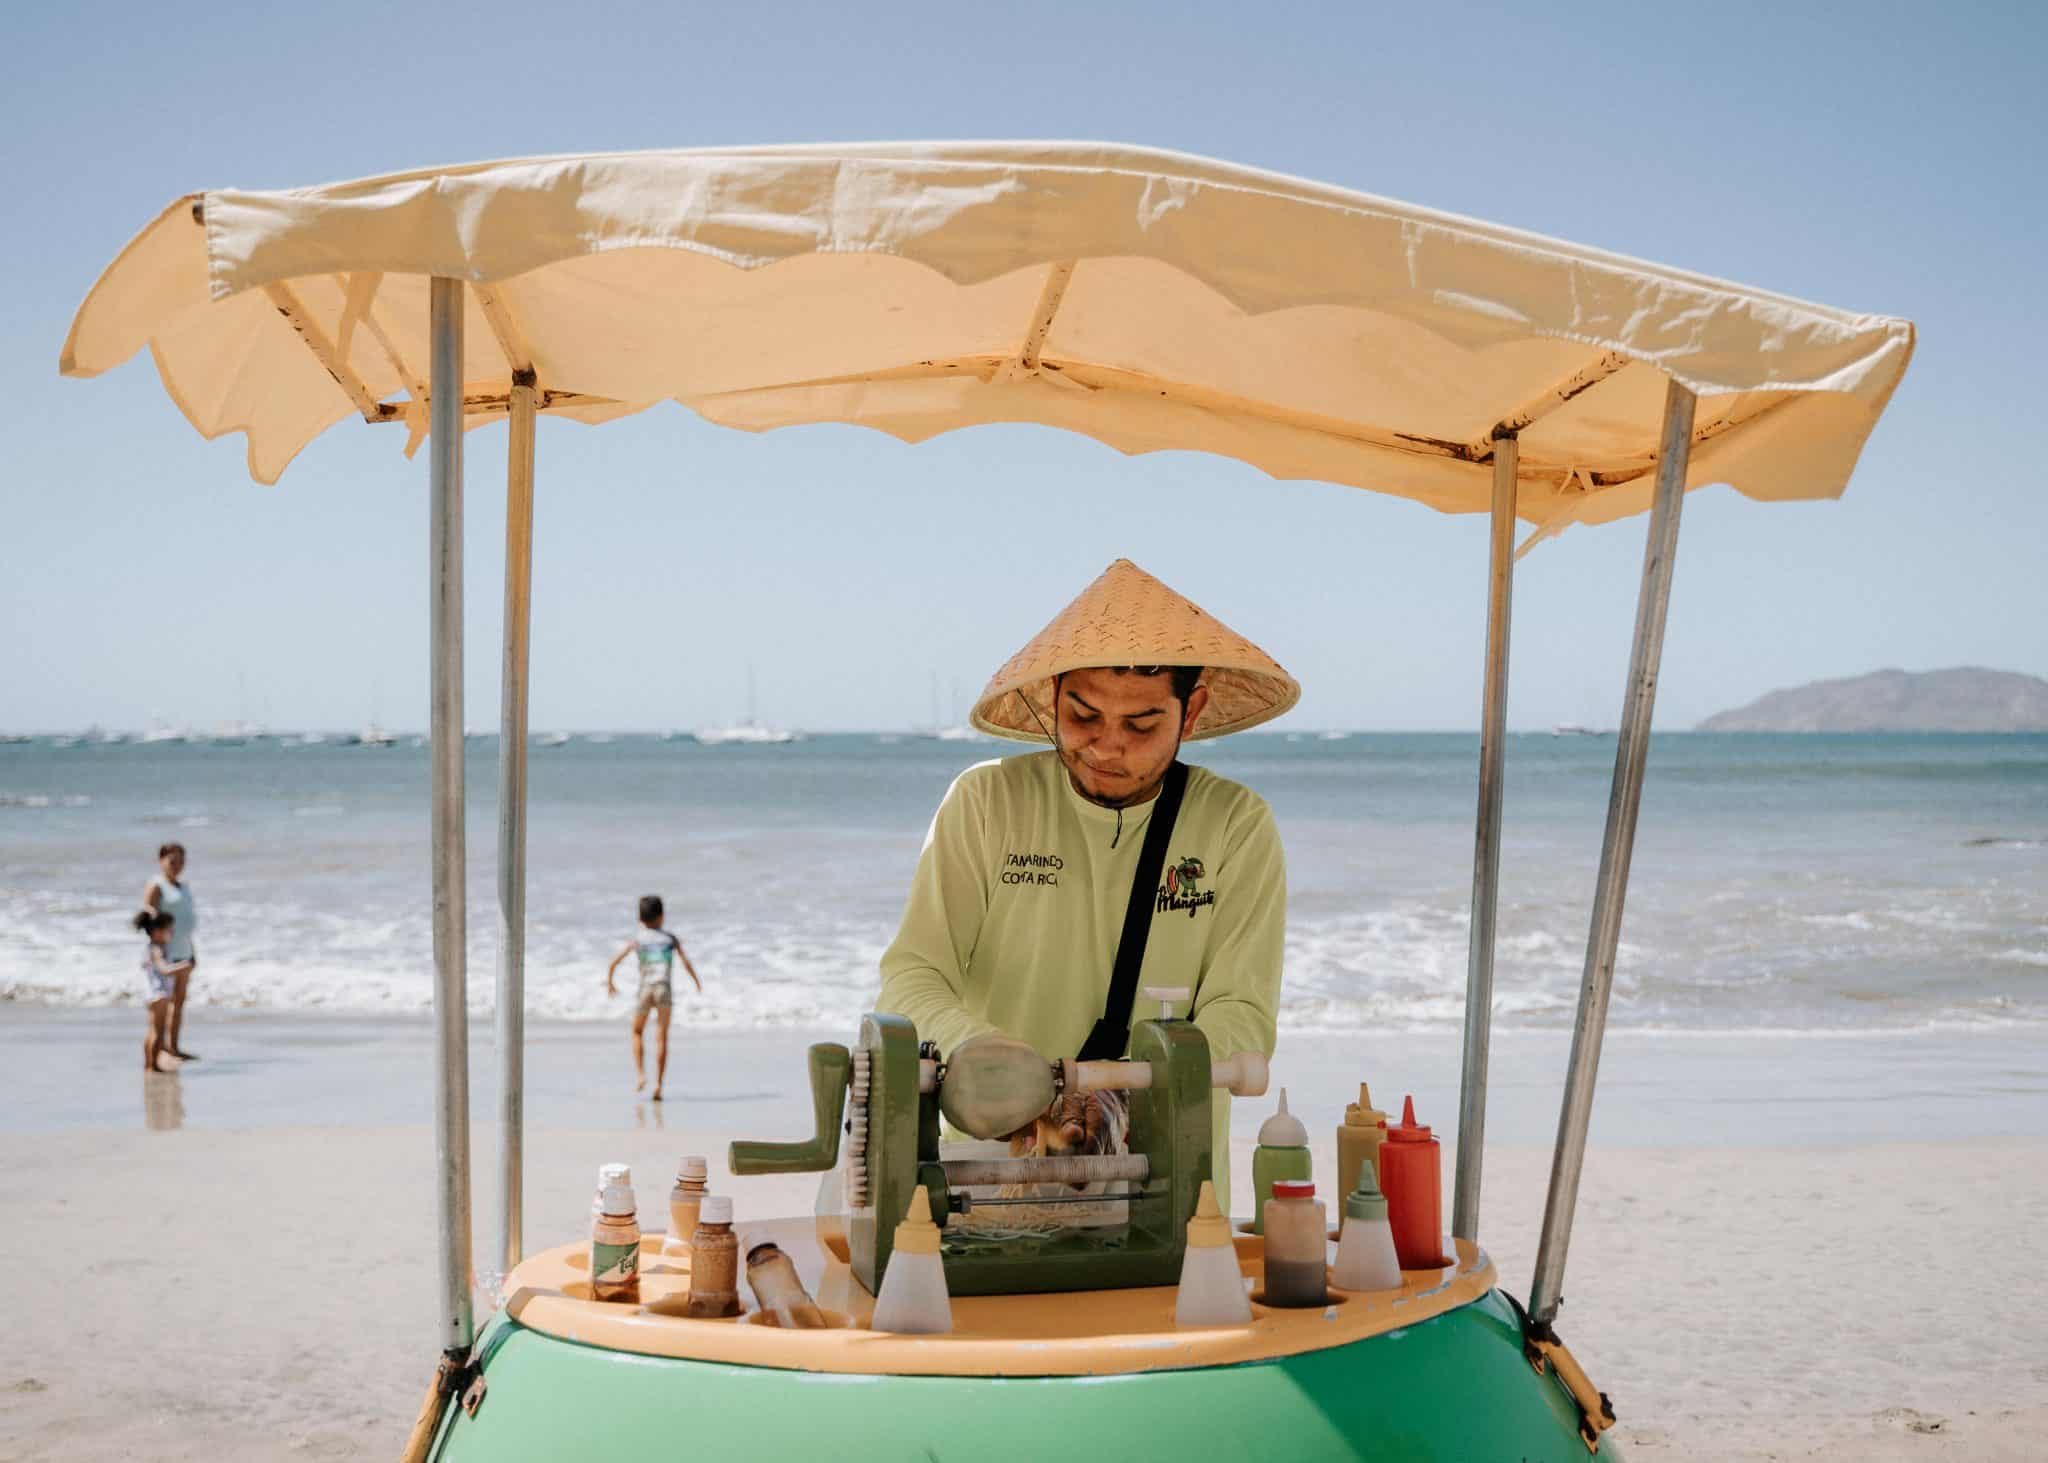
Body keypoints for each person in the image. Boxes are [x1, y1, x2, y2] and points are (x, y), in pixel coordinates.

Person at [878, 558, 1296, 1208]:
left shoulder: (1235, 823)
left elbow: (1241, 1014)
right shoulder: (986, 802)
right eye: (1082, 715)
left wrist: (1117, 1094)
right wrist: (991, 1061)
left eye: (1142, 725)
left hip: (1169, 1185)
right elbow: (913, 974)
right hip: (985, 1178)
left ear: (1191, 712)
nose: (1106, 745)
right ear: (1053, 697)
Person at [606, 895, 702, 1102]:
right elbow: (686, 963)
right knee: (662, 1037)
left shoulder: (638, 940)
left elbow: (614, 962)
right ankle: (658, 1084)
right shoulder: (670, 939)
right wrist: (696, 981)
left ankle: (641, 1075)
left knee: (637, 1031)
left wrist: (610, 982)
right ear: (662, 916)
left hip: (645, 990)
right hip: (664, 990)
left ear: (640, 919)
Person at [140, 842, 198, 1060]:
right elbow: (148, 917)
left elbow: (186, 922)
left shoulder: (184, 886)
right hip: (165, 953)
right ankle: (159, 1049)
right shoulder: (157, 885)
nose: (177, 865)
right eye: (172, 861)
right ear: (161, 861)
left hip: (184, 948)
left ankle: (173, 1047)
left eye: (181, 861)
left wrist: (193, 951)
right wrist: (156, 952)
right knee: (162, 1003)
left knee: (179, 1002)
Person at [133, 909, 193, 1073]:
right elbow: (164, 969)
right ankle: (153, 1065)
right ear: (157, 931)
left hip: (152, 994)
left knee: (153, 1030)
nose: (172, 933)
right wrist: (183, 966)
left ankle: (149, 1063)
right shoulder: (156, 949)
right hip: (159, 994)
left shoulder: (151, 948)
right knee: (158, 1032)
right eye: (169, 930)